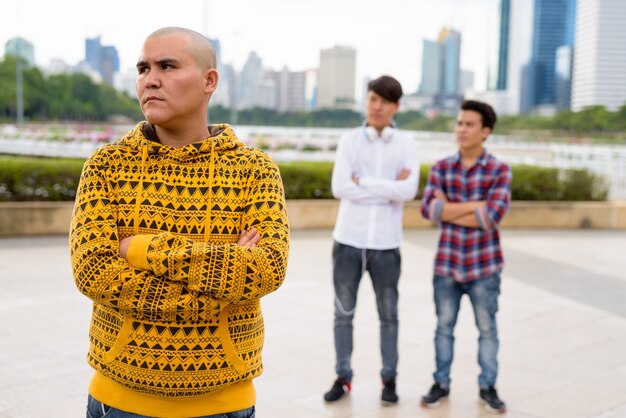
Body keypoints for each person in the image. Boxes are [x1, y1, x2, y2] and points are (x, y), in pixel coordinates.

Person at [69, 27, 289, 418]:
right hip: (118, 401)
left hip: (224, 403)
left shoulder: (254, 170)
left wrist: (138, 248)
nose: (150, 79)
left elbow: (266, 269)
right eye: (143, 68)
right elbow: (93, 272)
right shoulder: (107, 166)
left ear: (210, 81)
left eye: (167, 66)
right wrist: (220, 284)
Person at [323, 75, 419, 405]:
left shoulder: (407, 144)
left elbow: (408, 191)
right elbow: (340, 187)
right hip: (348, 240)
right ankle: (342, 376)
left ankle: (389, 380)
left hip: (387, 244)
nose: (377, 106)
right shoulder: (349, 140)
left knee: (389, 316)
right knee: (343, 314)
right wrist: (388, 188)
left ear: (395, 107)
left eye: (384, 101)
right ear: (367, 101)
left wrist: (362, 181)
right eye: (372, 99)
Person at [419, 100, 511, 414]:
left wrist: (449, 209)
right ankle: (440, 383)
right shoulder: (441, 167)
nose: (461, 129)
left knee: (488, 330)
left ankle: (488, 386)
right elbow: (428, 210)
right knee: (443, 328)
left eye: (469, 124)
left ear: (485, 131)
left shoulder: (499, 169)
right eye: (459, 123)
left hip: (484, 266)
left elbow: (492, 217)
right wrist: (474, 206)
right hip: (447, 264)